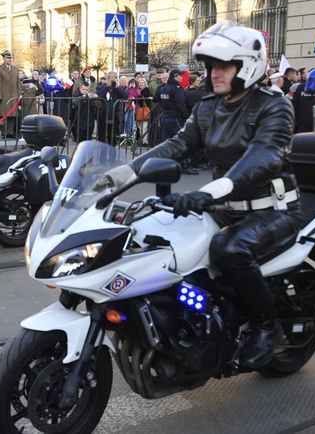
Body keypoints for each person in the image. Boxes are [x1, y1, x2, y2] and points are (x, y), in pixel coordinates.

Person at [120, 21, 301, 369]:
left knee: (228, 249)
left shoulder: (273, 106)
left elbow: (264, 156)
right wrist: (124, 173)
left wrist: (210, 191)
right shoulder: (207, 107)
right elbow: (178, 144)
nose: (214, 73)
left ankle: (267, 324)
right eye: (211, 66)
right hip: (224, 207)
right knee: (153, 234)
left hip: (272, 210)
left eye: (223, 65)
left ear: (246, 65)